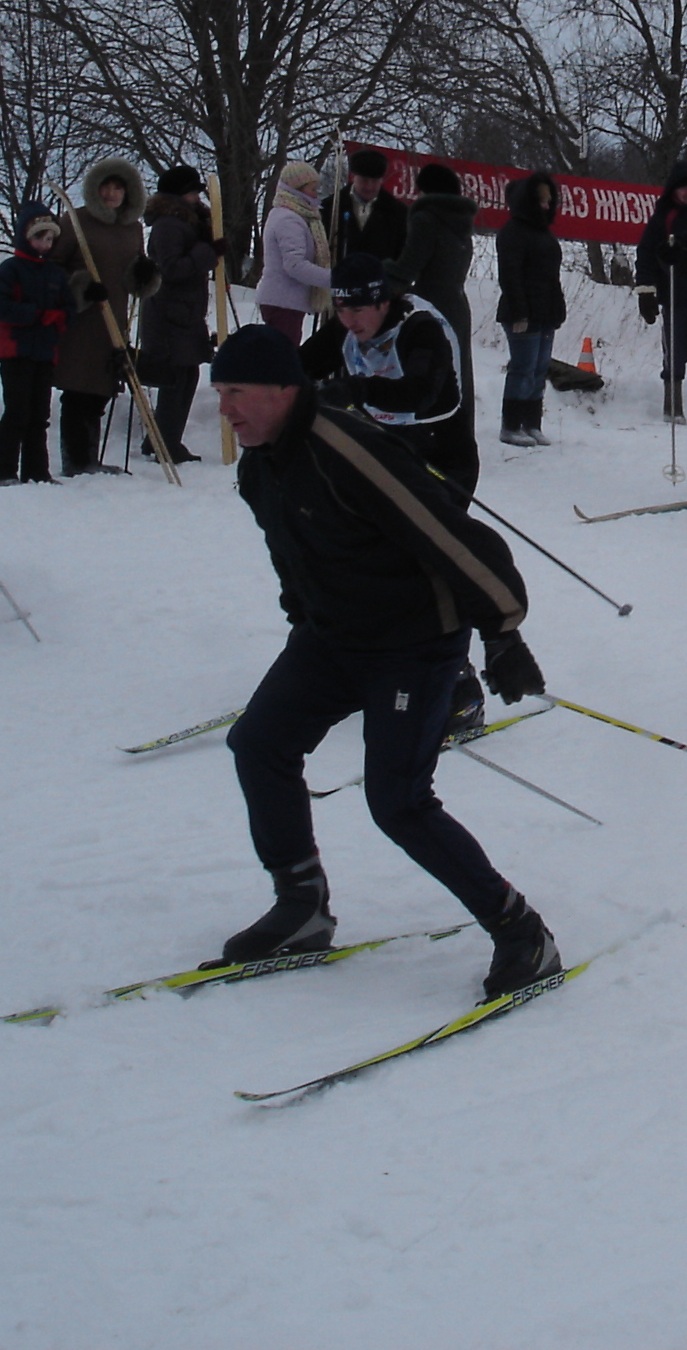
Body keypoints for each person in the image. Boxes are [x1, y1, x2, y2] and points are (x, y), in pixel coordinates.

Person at [208, 324, 560, 1002]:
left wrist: (503, 634)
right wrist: (304, 619)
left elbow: (452, 536)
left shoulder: (346, 449)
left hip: (413, 644)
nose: (226, 409)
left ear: (284, 391)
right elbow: (292, 554)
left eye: (237, 393)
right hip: (335, 636)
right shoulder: (261, 463)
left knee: (397, 803)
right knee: (258, 743)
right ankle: (301, 904)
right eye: (220, 393)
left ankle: (522, 932)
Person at [300, 251, 476, 497]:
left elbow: (420, 393)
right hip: (384, 448)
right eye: (340, 311)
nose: (348, 320)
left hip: (439, 452)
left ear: (382, 302)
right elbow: (303, 364)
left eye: (358, 310)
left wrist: (358, 389)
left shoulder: (422, 328)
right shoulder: (349, 327)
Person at [48, 159, 158, 476]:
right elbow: (53, 266)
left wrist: (144, 275)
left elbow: (135, 272)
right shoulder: (76, 221)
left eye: (118, 188)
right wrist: (80, 287)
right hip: (82, 320)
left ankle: (89, 458)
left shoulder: (132, 227)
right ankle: (76, 460)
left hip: (114, 319)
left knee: (101, 389)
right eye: (106, 187)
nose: (111, 193)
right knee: (78, 388)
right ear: (96, 190)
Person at [0, 205, 70, 485]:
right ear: (25, 237)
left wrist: (64, 316)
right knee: (17, 412)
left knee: (40, 415)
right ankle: (2, 470)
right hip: (15, 351)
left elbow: (68, 305)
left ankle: (37, 471)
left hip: (45, 352)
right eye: (39, 238)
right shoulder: (10, 269)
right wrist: (37, 315)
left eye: (49, 239)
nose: (44, 245)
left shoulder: (54, 273)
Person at [138, 165, 219, 463]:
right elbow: (171, 268)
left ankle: (160, 439)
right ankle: (165, 443)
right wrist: (208, 253)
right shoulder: (168, 225)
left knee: (186, 375)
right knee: (176, 379)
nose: (196, 196)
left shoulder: (186, 222)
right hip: (169, 313)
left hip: (183, 312)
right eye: (191, 191)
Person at [391, 160, 479, 423]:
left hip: (429, 304)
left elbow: (409, 266)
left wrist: (384, 275)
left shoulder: (427, 219)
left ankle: (431, 428)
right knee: (458, 371)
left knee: (430, 369)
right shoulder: (462, 223)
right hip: (457, 304)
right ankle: (459, 427)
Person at [633, 161, 687, 423]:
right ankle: (673, 406)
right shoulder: (663, 217)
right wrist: (646, 291)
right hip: (675, 296)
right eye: (683, 189)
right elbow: (645, 254)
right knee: (675, 353)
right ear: (673, 191)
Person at [495, 172, 566, 449]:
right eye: (541, 201)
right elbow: (510, 276)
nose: (547, 206)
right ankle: (510, 425)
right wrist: (520, 312)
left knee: (538, 369)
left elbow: (552, 276)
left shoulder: (544, 234)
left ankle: (531, 423)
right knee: (522, 368)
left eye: (550, 201)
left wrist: (557, 307)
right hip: (521, 313)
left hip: (545, 312)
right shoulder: (513, 232)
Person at [254, 160, 334, 340]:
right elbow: (295, 265)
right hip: (283, 302)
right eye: (312, 189)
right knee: (283, 360)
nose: (316, 194)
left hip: (287, 302)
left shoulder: (292, 214)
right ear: (297, 188)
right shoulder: (289, 219)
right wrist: (333, 278)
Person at [331, 147, 410, 264]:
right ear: (353, 177)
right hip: (337, 279)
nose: (369, 187)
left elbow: (402, 254)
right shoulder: (331, 207)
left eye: (375, 181)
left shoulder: (398, 212)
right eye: (364, 181)